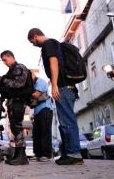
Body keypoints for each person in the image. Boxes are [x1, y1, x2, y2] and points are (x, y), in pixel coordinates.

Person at [28, 28, 83, 165]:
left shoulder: (48, 44)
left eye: (32, 41)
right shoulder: (54, 44)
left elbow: (53, 63)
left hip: (63, 87)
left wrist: (54, 85)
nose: (33, 44)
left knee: (67, 121)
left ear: (35, 36)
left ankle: (74, 154)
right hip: (66, 88)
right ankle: (68, 152)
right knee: (64, 121)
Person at [0, 50, 31, 165]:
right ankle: (18, 154)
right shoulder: (11, 71)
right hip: (13, 101)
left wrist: (3, 80)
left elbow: (18, 83)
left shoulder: (19, 68)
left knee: (17, 126)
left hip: (18, 100)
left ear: (10, 57)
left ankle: (21, 156)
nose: (4, 63)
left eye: (5, 60)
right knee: (14, 127)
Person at [30, 72, 53, 162]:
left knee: (45, 131)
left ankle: (46, 155)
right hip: (37, 111)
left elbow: (36, 95)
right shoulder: (33, 84)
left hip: (45, 109)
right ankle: (38, 154)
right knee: (36, 134)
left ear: (33, 75)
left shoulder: (40, 81)